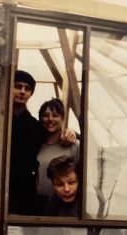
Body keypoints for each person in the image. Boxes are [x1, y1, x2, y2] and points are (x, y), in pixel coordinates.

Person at [8, 70, 77, 215]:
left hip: (33, 199)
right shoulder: (0, 120)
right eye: (18, 86)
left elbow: (56, 131)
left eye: (27, 89)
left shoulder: (33, 127)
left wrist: (71, 131)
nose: (22, 91)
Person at [36, 99, 80, 209]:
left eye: (55, 115)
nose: (50, 119)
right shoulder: (34, 145)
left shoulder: (74, 145)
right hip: (37, 205)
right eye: (46, 115)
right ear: (40, 119)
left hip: (66, 207)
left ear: (63, 118)